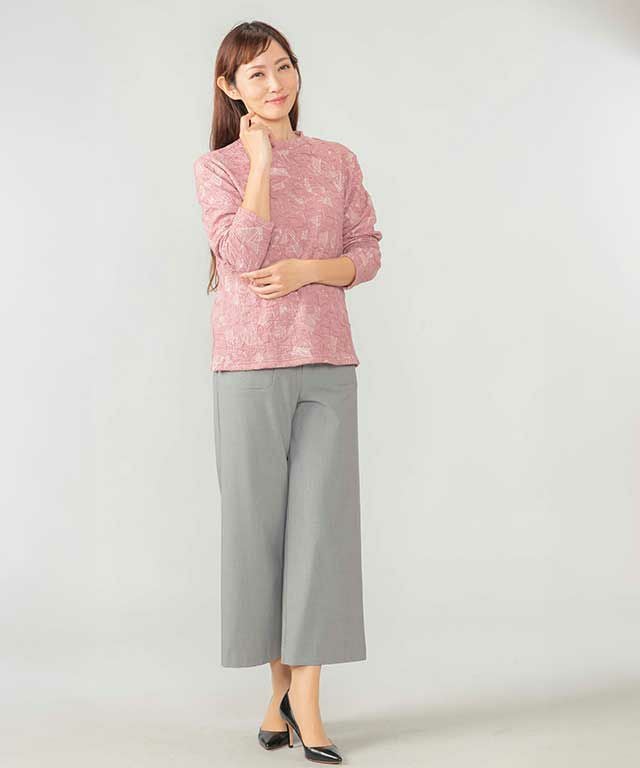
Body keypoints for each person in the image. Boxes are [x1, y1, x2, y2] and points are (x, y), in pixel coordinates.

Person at [193, 20, 382, 765]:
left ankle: (305, 699)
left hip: (328, 365)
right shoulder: (218, 169)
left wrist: (309, 271)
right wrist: (262, 165)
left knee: (321, 537)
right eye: (257, 75)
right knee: (259, 535)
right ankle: (277, 689)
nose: (275, 85)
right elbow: (240, 255)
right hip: (247, 369)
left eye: (283, 67)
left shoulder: (337, 161)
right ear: (231, 89)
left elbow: (366, 253)